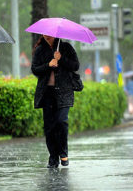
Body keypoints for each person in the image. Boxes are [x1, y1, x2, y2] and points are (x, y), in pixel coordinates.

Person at [31, 35, 79, 168]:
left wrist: (61, 59)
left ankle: (63, 153)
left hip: (64, 91)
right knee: (49, 126)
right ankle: (53, 156)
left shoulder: (66, 47)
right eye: (45, 33)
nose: (47, 36)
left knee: (61, 121)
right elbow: (35, 69)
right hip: (47, 93)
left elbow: (75, 65)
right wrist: (49, 64)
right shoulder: (40, 50)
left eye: (50, 33)